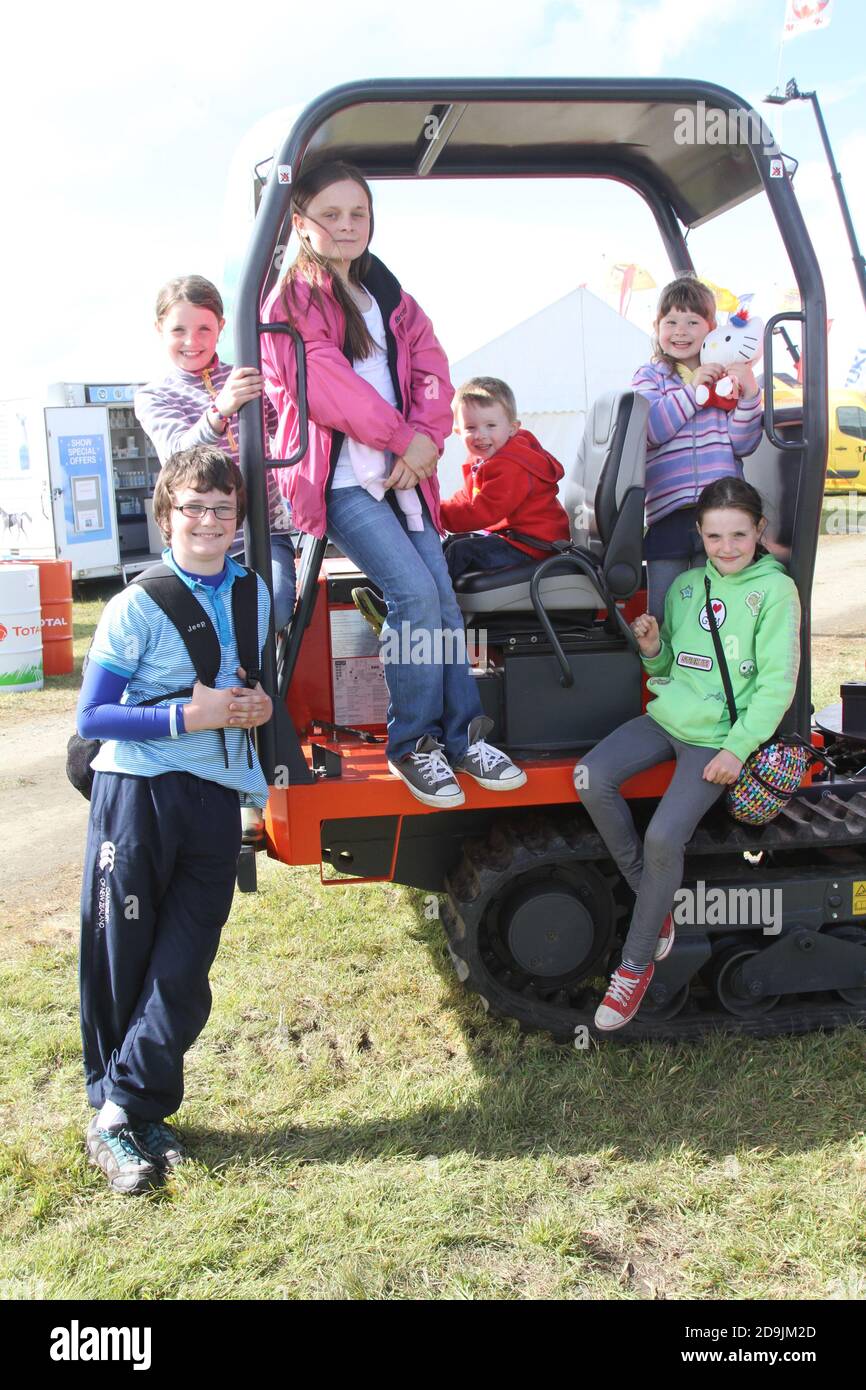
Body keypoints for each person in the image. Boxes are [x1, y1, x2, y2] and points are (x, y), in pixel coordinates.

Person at [260, 160, 526, 807]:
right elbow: (324, 383)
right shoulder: (291, 301)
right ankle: (413, 745)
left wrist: (429, 438)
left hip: (406, 478)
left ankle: (461, 740)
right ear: (300, 223)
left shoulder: (388, 295)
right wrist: (399, 436)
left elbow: (432, 365)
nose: (348, 226)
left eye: (359, 214)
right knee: (410, 596)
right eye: (332, 214)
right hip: (345, 481)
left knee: (440, 604)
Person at [76, 446, 272, 1193]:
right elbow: (93, 714)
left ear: (237, 522)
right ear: (167, 515)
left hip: (215, 798)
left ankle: (135, 1107)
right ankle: (117, 1117)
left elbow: (253, 685)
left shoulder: (254, 591)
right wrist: (187, 715)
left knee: (185, 967)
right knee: (121, 959)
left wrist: (255, 706)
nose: (208, 520)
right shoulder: (136, 604)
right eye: (193, 506)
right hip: (138, 796)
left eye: (223, 509)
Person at [574, 477, 800, 1032]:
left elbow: (777, 686)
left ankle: (633, 969)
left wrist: (735, 749)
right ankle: (654, 902)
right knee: (589, 776)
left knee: (662, 837)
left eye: (739, 535)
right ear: (698, 534)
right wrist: (653, 650)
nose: (727, 547)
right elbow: (671, 668)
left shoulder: (776, 592)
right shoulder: (683, 589)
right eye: (716, 535)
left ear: (759, 532)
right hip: (667, 718)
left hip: (717, 739)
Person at [135, 275, 297, 630]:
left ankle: (260, 680)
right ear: (159, 328)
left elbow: (285, 428)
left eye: (204, 329)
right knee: (207, 624)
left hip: (264, 528)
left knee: (277, 609)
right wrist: (219, 411)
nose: (192, 342)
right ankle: (218, 681)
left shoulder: (247, 377)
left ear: (222, 327)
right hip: (200, 533)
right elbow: (178, 456)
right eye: (179, 330)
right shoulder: (155, 396)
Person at [632, 275, 763, 622]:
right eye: (670, 321)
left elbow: (744, 442)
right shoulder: (651, 376)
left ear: (712, 329)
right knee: (665, 611)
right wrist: (694, 393)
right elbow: (652, 430)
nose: (681, 330)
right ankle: (663, 670)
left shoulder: (728, 379)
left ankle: (717, 670)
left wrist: (750, 396)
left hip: (721, 514)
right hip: (669, 514)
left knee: (718, 610)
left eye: (692, 322)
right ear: (657, 327)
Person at [438, 376, 571, 580]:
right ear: (458, 431)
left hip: (534, 547)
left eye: (491, 425)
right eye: (471, 428)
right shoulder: (482, 458)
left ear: (512, 427)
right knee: (451, 544)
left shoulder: (511, 464)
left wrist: (436, 515)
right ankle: (408, 599)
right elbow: (467, 497)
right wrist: (435, 507)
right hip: (514, 539)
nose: (480, 435)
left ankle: (429, 609)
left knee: (460, 553)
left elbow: (482, 512)